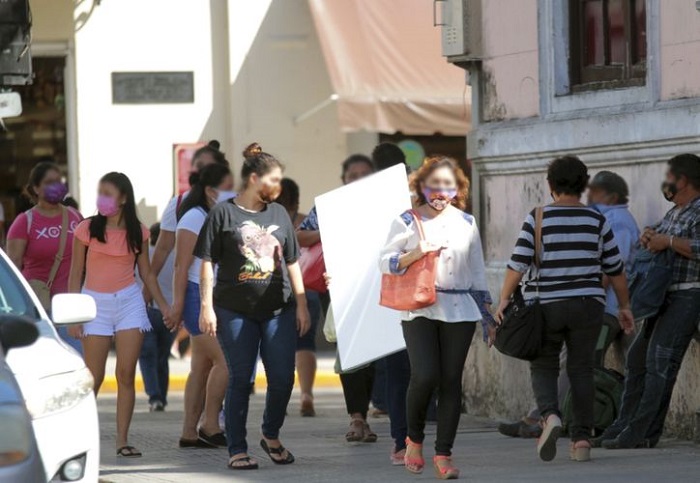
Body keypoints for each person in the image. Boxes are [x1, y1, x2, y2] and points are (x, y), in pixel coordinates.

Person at [496, 156, 634, 463]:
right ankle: (582, 440)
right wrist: (624, 306)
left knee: (544, 364)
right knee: (582, 369)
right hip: (588, 305)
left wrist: (504, 298)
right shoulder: (598, 221)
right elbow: (615, 269)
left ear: (550, 184)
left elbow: (517, 263)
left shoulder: (538, 217)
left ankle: (550, 416)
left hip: (548, 305)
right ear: (584, 186)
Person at [194, 143, 311, 470]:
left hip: (279, 310)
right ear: (255, 178)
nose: (279, 187)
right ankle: (237, 449)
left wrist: (301, 305)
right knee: (240, 378)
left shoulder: (279, 215)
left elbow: (292, 263)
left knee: (283, 378)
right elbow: (206, 263)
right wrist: (207, 306)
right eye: (274, 180)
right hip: (234, 310)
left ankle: (270, 434)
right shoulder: (222, 213)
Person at [379, 156, 491, 479]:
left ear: (457, 189)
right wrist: (416, 252)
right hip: (420, 307)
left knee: (451, 381)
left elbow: (478, 273)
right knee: (425, 374)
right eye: (434, 185)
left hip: (461, 309)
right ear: (422, 187)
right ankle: (413, 440)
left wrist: (488, 316)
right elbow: (384, 262)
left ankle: (444, 453)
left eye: (447, 186)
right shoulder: (406, 220)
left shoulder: (467, 222)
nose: (441, 192)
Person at [598, 153, 700, 450]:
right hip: (662, 296)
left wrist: (667, 243)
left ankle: (643, 432)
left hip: (687, 295)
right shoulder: (675, 212)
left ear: (684, 180)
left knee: (660, 363)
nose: (666, 183)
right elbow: (658, 233)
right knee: (636, 359)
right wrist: (649, 235)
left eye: (670, 177)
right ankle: (623, 424)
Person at [67, 172, 172, 458]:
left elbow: (147, 274)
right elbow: (76, 271)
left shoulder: (139, 231)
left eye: (109, 193)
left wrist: (163, 306)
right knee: (94, 376)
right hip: (94, 304)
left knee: (126, 374)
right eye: (100, 192)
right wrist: (74, 315)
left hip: (129, 302)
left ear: (123, 198)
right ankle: (78, 438)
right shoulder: (86, 228)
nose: (102, 198)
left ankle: (122, 441)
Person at [297, 154, 381, 441]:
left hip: (377, 285)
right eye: (352, 175)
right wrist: (329, 230)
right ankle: (356, 417)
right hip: (337, 287)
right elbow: (301, 236)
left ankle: (365, 414)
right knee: (350, 349)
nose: (357, 179)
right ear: (343, 179)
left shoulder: (383, 204)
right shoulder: (327, 206)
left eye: (364, 174)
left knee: (371, 351)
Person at [170, 163, 235, 448]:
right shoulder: (194, 218)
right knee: (227, 362)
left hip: (214, 294)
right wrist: (179, 305)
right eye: (227, 186)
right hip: (198, 296)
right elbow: (180, 266)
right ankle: (210, 424)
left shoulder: (216, 214)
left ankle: (188, 431)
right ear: (210, 190)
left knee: (201, 367)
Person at [7, 161, 83, 353]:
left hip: (71, 311)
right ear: (36, 188)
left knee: (75, 362)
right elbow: (13, 268)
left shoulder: (75, 218)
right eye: (50, 182)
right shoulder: (24, 222)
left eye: (59, 181)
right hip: (38, 309)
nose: (57, 186)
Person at [277, 177, 322, 417]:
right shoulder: (304, 222)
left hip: (275, 289)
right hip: (307, 287)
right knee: (305, 343)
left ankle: (281, 398)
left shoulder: (268, 221)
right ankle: (306, 393)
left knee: (278, 346)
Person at [137, 223, 177, 412]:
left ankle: (155, 397)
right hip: (170, 311)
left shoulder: (143, 257)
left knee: (147, 355)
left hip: (145, 309)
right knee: (162, 356)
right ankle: (162, 394)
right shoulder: (175, 256)